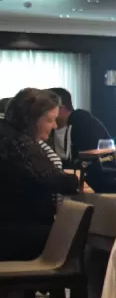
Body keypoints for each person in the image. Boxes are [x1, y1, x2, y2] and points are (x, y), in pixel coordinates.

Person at [0, 88, 81, 262]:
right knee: (83, 239)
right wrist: (78, 178)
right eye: (50, 120)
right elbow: (59, 181)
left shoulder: (6, 134)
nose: (55, 126)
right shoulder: (20, 145)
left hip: (8, 231)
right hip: (15, 235)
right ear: (32, 120)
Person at [46, 87, 112, 166]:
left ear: (61, 108)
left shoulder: (83, 123)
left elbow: (88, 162)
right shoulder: (49, 128)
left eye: (47, 109)